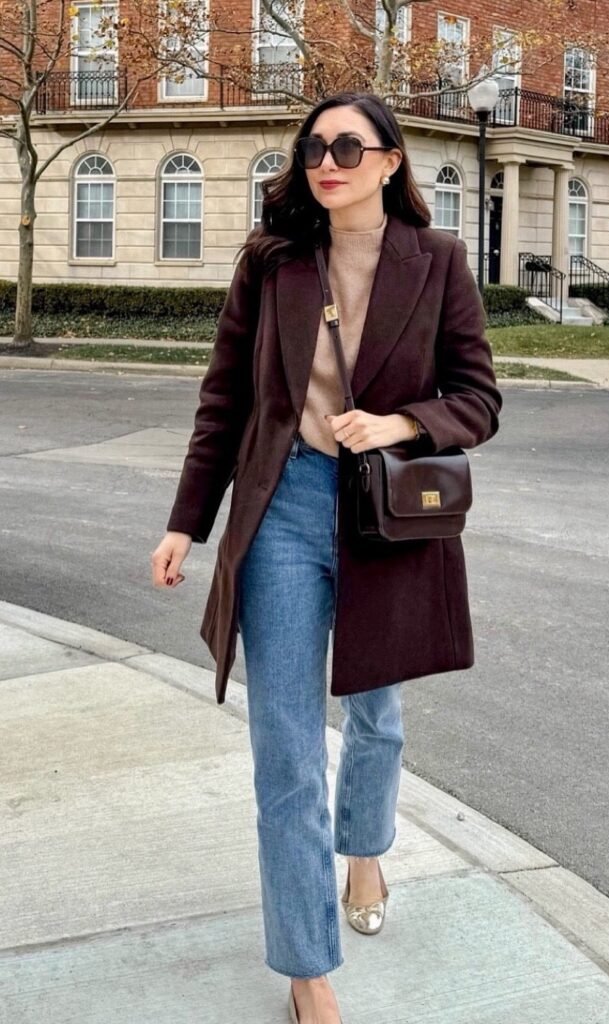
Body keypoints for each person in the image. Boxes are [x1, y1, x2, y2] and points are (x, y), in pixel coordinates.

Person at [151, 91, 502, 1024]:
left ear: (390, 160)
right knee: (287, 752)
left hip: (384, 516)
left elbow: (478, 398)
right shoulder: (273, 262)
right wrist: (187, 522)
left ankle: (366, 849)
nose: (327, 162)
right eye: (313, 148)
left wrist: (401, 422)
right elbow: (224, 399)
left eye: (349, 147)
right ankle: (307, 966)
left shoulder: (437, 260)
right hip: (281, 509)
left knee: (375, 714)